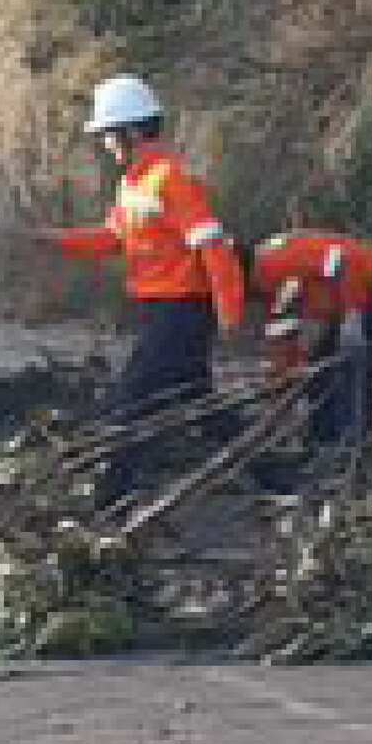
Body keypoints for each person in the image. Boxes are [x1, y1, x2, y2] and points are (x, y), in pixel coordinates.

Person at [49, 74, 248, 486]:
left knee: (133, 400)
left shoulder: (171, 179)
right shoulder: (132, 184)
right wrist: (57, 242)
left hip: (183, 310)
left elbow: (213, 247)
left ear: (132, 132)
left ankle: (112, 493)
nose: (105, 145)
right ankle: (274, 475)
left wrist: (230, 314)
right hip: (161, 308)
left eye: (108, 135)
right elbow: (113, 239)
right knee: (198, 400)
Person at [250, 227, 372, 450]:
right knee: (321, 366)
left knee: (354, 364)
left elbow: (341, 260)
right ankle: (322, 439)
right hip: (354, 291)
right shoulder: (272, 273)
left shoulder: (275, 266)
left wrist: (353, 311)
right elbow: (284, 339)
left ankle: (354, 444)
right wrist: (281, 384)